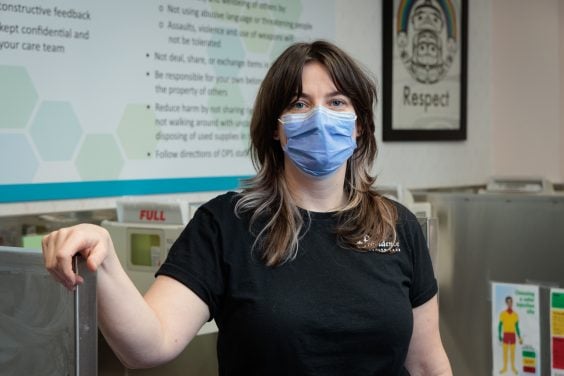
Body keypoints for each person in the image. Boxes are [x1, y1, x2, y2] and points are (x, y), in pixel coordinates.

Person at [42, 40, 452, 375]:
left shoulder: (396, 226)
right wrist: (105, 260)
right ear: (275, 127)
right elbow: (150, 345)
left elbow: (426, 363)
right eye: (299, 103)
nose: (320, 118)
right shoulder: (225, 225)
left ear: (360, 126)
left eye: (338, 102)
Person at [498, 296, 523, 374]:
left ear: (512, 302)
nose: (510, 303)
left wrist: (519, 337)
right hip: (506, 334)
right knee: (505, 352)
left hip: (512, 335)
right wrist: (499, 335)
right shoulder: (502, 314)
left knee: (512, 353)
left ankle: (513, 367)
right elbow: (500, 325)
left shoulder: (515, 315)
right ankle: (505, 368)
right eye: (508, 302)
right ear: (506, 303)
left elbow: (517, 327)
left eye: (511, 302)